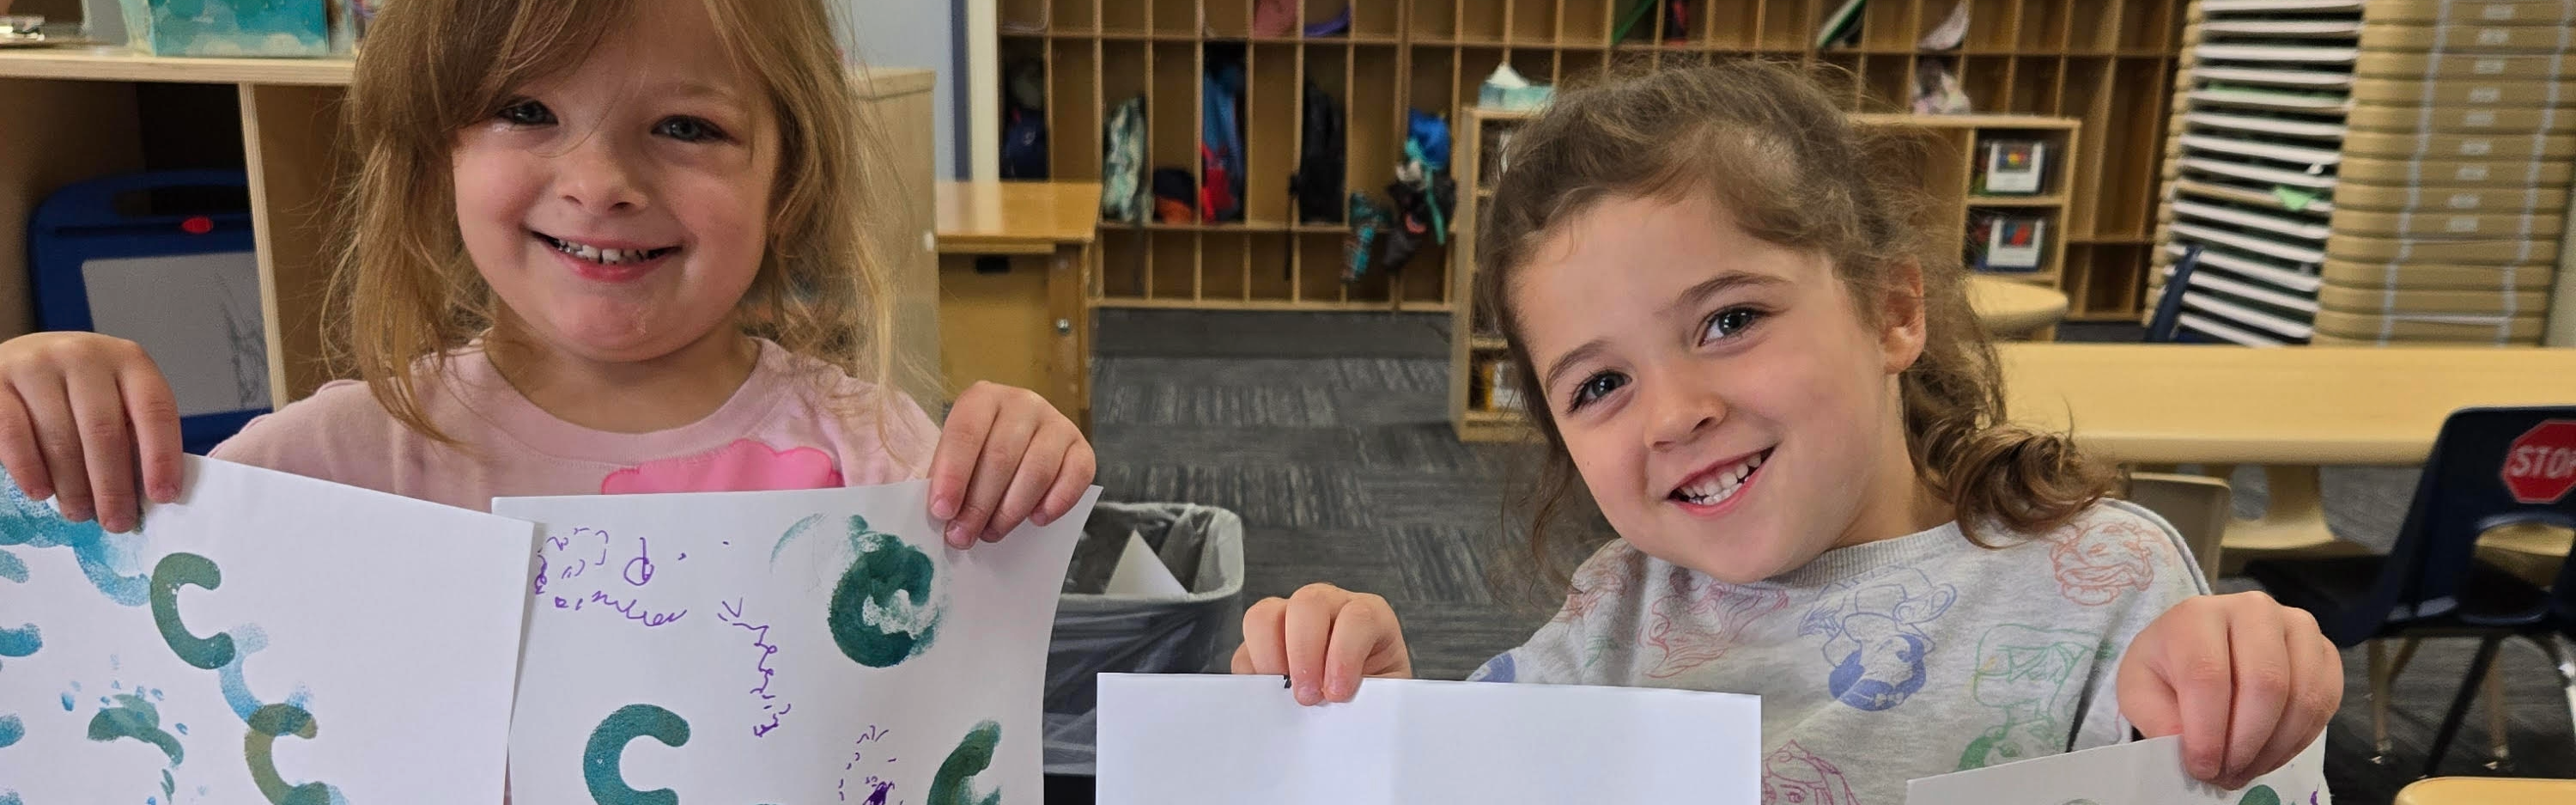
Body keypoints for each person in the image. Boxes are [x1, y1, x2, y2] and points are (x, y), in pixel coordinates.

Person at [1231, 61, 2340, 800]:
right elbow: (1482, 770)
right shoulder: (1619, 607)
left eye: (1730, 320)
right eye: (1600, 383)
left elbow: (2222, 773)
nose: (1676, 411)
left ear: (1891, 311)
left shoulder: (2107, 585)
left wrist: (2230, 701)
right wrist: (1374, 713)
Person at [0, 0, 1091, 549]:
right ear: (437, 153)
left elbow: (977, 681)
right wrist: (49, 431)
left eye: (686, 126)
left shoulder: (876, 457)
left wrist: (1016, 472)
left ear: (786, 183)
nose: (600, 183)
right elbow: (104, 595)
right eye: (527, 110)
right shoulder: (337, 463)